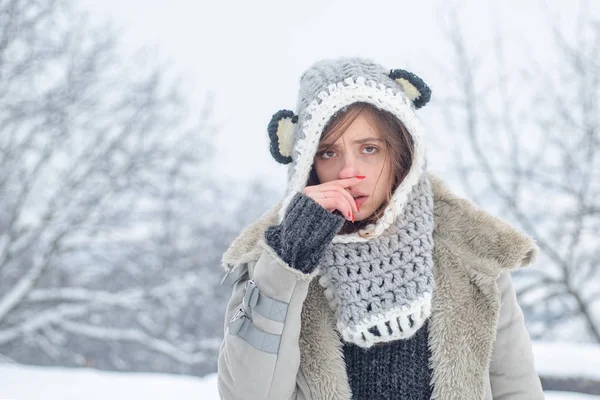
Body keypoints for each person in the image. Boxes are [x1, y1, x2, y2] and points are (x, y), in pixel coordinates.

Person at [216, 57, 545, 400]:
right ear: (306, 165)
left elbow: (517, 388)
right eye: (328, 153)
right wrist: (289, 259)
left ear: (402, 154)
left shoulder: (473, 256)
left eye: (369, 149)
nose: (349, 170)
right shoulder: (271, 262)